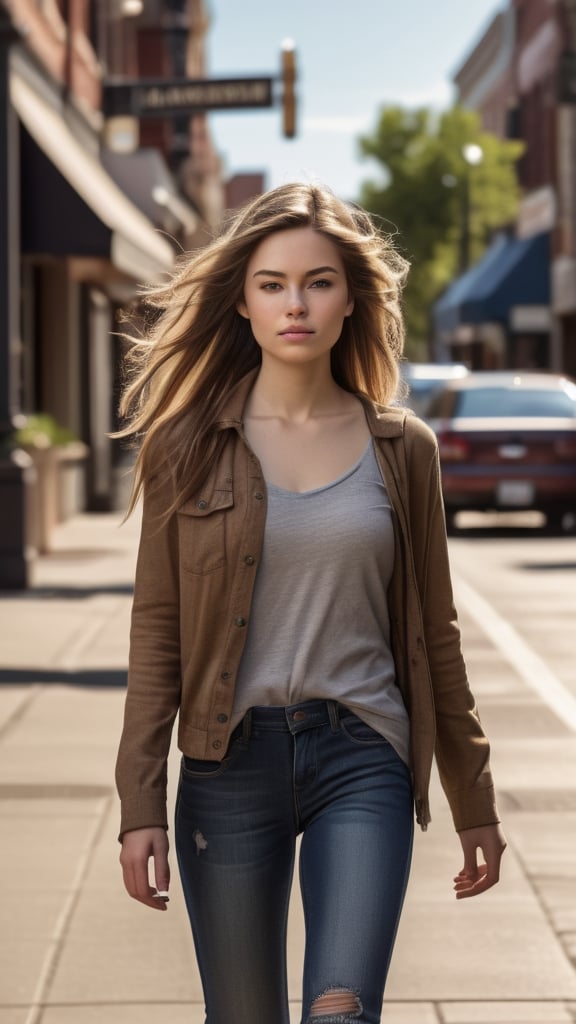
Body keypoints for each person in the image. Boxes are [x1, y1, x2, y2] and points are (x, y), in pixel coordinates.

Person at [115, 181, 506, 1024]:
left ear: (350, 299)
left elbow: (436, 635)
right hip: (228, 769)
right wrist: (139, 802)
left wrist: (473, 798)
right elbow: (157, 633)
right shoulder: (184, 447)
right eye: (272, 283)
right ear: (244, 304)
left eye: (319, 281)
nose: (297, 303)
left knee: (341, 1010)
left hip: (362, 755)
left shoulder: (405, 449)